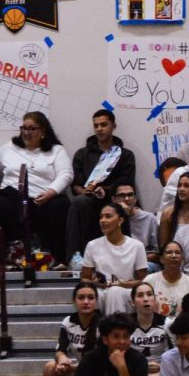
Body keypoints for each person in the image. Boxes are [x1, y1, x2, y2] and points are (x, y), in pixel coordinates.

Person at [0, 111, 72, 266]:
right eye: (24, 128)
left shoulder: (56, 150)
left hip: (44, 198)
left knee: (61, 206)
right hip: (13, 196)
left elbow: (66, 174)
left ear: (43, 131)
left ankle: (56, 259)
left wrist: (50, 193)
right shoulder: (10, 147)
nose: (26, 132)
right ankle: (2, 259)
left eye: (32, 128)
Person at [65, 109, 137, 264]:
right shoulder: (82, 154)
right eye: (96, 125)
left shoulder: (125, 155)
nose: (99, 129)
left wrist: (105, 190)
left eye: (104, 125)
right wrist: (85, 191)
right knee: (78, 202)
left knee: (122, 205)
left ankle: (125, 258)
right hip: (88, 200)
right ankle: (75, 257)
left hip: (113, 199)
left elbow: (127, 182)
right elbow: (75, 185)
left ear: (113, 126)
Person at [79, 201, 148, 314]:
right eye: (101, 217)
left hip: (126, 290)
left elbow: (143, 281)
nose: (103, 220)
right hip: (102, 290)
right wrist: (95, 283)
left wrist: (123, 284)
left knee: (114, 292)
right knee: (93, 295)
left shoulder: (137, 246)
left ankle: (114, 324)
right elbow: (85, 278)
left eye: (108, 216)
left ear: (120, 220)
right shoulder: (92, 245)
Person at [130, 280, 169, 376]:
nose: (146, 299)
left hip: (160, 369)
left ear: (155, 299)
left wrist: (162, 366)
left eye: (149, 294)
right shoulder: (126, 324)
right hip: (133, 369)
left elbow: (176, 354)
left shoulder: (167, 324)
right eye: (140, 295)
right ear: (133, 302)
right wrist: (141, 367)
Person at [112, 183, 159, 268]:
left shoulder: (149, 218)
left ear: (135, 198)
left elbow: (157, 253)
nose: (127, 199)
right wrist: (123, 217)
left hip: (144, 261)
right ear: (114, 199)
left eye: (130, 195)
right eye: (122, 195)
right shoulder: (110, 219)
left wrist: (135, 260)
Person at [151, 239, 189, 320]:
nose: (174, 256)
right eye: (169, 252)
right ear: (161, 259)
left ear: (182, 259)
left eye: (177, 252)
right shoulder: (150, 280)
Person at [157, 169, 189, 248]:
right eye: (179, 185)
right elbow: (164, 245)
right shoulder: (168, 213)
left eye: (186, 186)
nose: (181, 189)